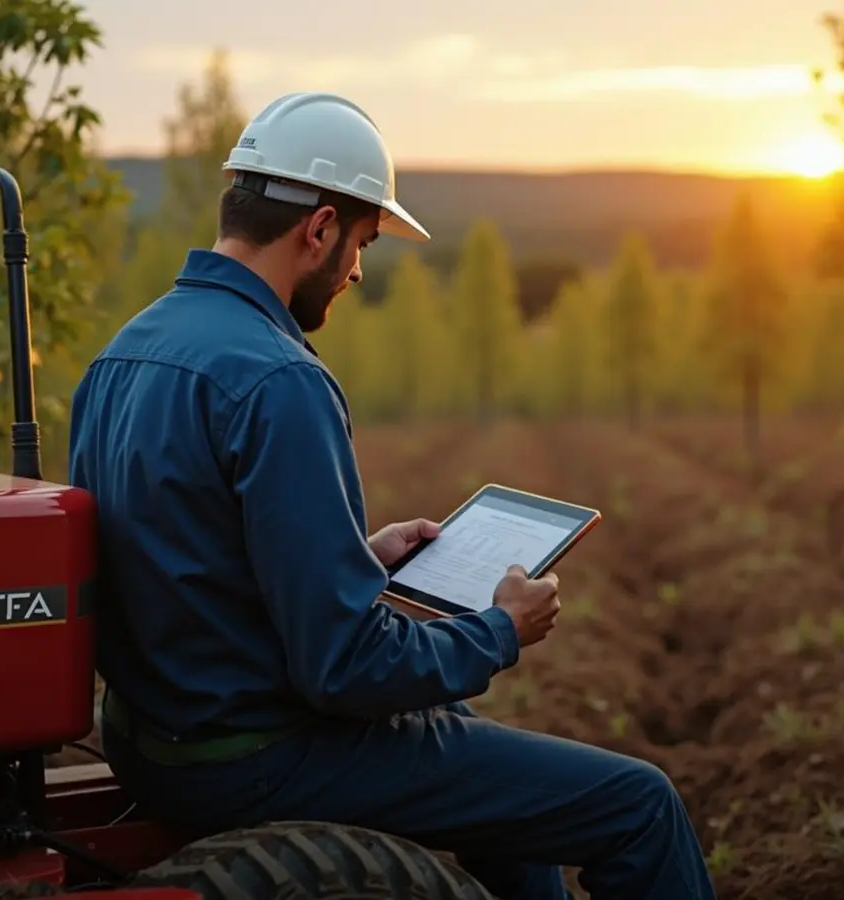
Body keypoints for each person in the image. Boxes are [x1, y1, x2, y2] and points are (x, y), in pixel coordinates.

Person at [67, 91, 716, 900]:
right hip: (257, 755)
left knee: (494, 787)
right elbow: (345, 669)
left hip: (157, 742)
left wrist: (353, 560)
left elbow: (181, 558)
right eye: (364, 241)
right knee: (638, 804)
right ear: (319, 229)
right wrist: (499, 631)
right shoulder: (281, 380)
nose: (358, 270)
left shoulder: (123, 355)